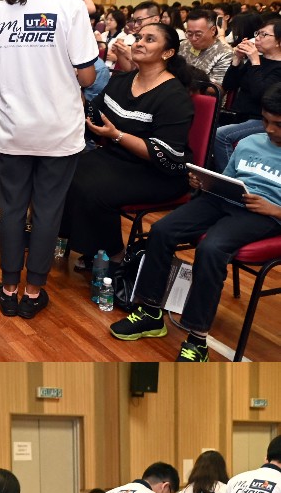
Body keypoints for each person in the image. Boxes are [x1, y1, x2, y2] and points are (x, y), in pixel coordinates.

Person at [108, 84, 281, 362]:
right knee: (163, 230)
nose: (270, 130)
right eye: (266, 121)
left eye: (278, 124)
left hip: (262, 215)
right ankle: (152, 312)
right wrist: (204, 183)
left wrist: (275, 209)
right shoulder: (250, 142)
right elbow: (228, 178)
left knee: (212, 249)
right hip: (223, 200)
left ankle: (197, 338)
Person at [0, 0, 98, 320]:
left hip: (14, 127)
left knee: (12, 209)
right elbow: (86, 77)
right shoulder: (70, 6)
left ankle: (9, 287)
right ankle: (33, 292)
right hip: (58, 129)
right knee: (48, 211)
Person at [60, 23, 195, 271]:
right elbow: (97, 116)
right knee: (63, 169)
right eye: (138, 37)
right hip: (117, 158)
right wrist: (76, 96)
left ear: (168, 53)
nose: (139, 42)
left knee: (93, 189)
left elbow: (167, 154)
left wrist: (118, 135)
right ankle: (92, 247)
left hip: (157, 172)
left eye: (150, 39)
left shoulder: (174, 95)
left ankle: (115, 254)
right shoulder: (122, 80)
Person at [216, 14, 281, 170]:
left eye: (264, 35)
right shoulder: (255, 61)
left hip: (261, 119)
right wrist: (237, 59)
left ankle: (232, 181)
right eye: (257, 33)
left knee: (220, 135)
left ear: (279, 41)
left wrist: (255, 61)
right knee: (206, 123)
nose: (257, 38)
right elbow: (228, 85)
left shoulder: (276, 67)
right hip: (238, 114)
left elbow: (261, 96)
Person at [179, 8, 232, 85]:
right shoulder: (184, 45)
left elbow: (217, 88)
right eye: (189, 33)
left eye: (198, 34)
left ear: (213, 30)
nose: (193, 39)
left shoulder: (225, 53)